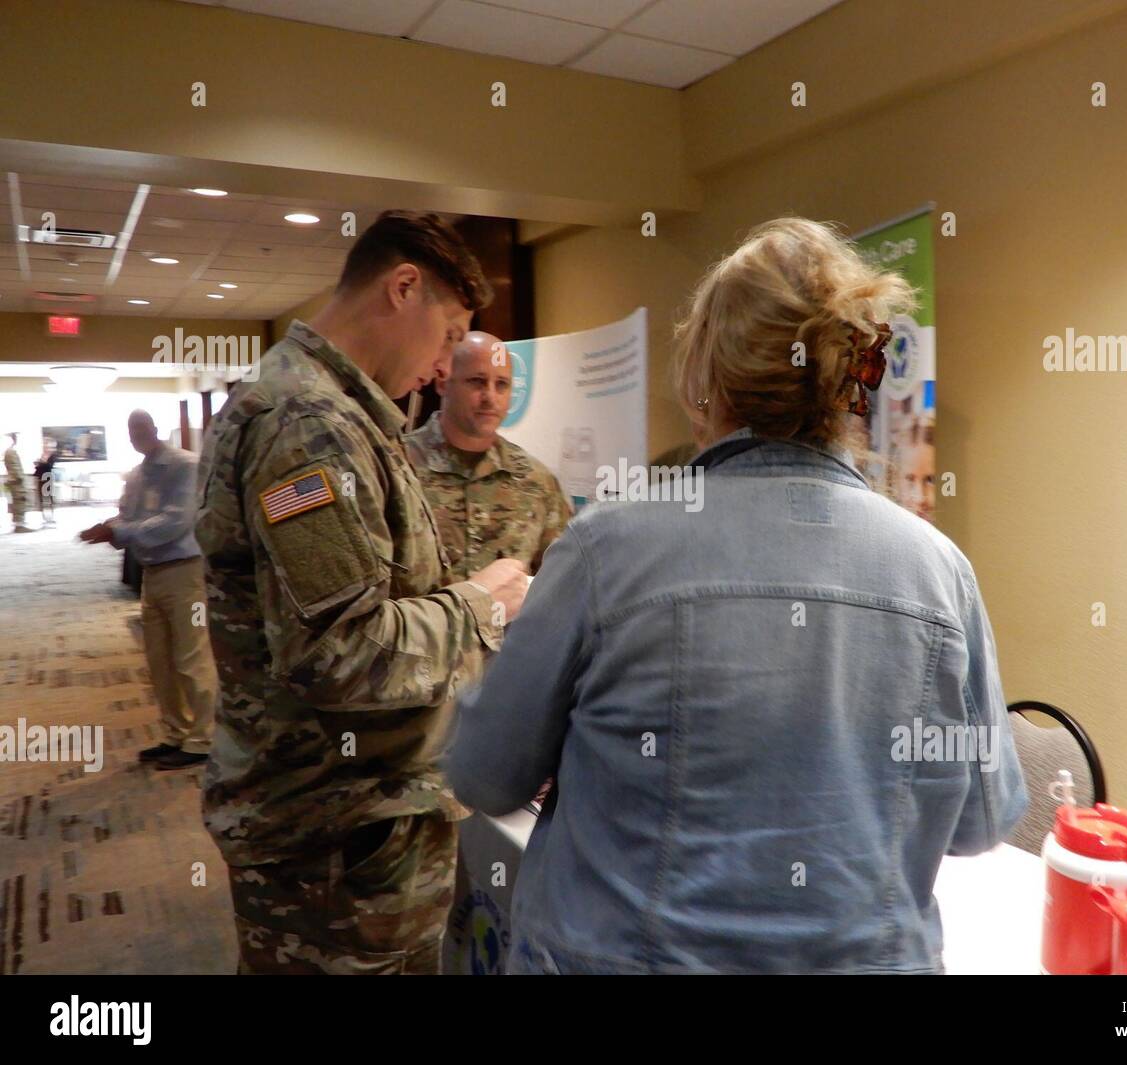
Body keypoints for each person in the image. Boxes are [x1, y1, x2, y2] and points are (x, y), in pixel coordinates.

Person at [448, 217, 1028, 974]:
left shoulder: (605, 550)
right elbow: (982, 822)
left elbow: (485, 774)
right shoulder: (940, 571)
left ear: (705, 379)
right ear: (852, 379)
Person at [194, 210, 530, 975]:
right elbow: (341, 652)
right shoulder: (309, 425)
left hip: (350, 824)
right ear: (402, 287)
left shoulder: (336, 411)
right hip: (336, 837)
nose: (448, 368)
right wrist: (480, 605)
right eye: (449, 337)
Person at [80, 411, 218, 770]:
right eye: (131, 430)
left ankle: (204, 739)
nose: (136, 435)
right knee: (159, 661)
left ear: (155, 429)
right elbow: (126, 517)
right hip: (152, 575)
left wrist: (120, 532)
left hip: (185, 573)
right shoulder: (138, 475)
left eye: (141, 428)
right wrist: (111, 528)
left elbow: (176, 522)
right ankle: (176, 733)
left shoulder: (185, 466)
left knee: (191, 658)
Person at [405, 330, 572, 580]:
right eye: (477, 381)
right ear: (443, 383)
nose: (490, 398)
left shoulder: (535, 481)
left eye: (501, 384)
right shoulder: (399, 466)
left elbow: (562, 580)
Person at [4, 431, 32, 533]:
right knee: (20, 501)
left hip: (15, 481)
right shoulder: (10, 452)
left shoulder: (9, 451)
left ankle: (19, 524)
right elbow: (15, 467)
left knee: (19, 502)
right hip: (16, 482)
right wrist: (20, 478)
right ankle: (19, 525)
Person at [34, 437, 58, 527]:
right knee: (41, 499)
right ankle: (44, 518)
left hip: (48, 478)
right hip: (40, 479)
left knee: (49, 499)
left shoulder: (52, 456)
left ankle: (51, 518)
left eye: (46, 444)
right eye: (44, 444)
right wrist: (39, 464)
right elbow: (40, 467)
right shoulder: (43, 455)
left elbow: (49, 467)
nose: (45, 446)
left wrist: (41, 463)